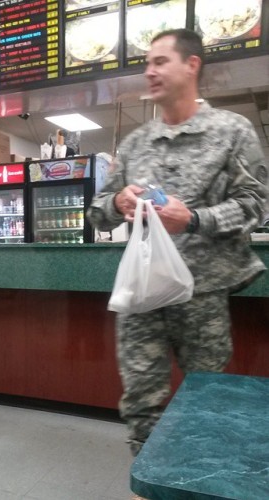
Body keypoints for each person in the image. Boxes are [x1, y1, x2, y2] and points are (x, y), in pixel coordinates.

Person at [87, 29, 268, 458]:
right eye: (146, 63)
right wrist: (117, 199)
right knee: (140, 402)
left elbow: (256, 204)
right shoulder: (134, 143)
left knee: (205, 398)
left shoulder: (231, 131)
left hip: (202, 293)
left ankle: (195, 480)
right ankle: (149, 482)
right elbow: (97, 212)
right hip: (142, 294)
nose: (149, 71)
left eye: (160, 61)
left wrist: (195, 219)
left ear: (192, 65)